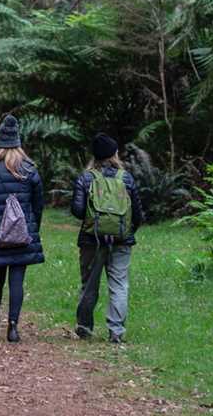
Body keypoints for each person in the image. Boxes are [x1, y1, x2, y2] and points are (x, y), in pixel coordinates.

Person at [70, 133, 144, 344]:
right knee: (119, 284)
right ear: (114, 154)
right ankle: (116, 331)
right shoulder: (126, 178)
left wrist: (94, 220)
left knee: (89, 284)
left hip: (91, 240)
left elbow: (77, 210)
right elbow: (138, 214)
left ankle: (84, 327)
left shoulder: (86, 178)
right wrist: (126, 231)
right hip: (121, 241)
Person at [0, 114, 44, 343]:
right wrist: (33, 229)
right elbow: (38, 206)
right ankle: (13, 327)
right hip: (23, 235)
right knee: (17, 281)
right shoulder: (30, 169)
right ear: (18, 142)